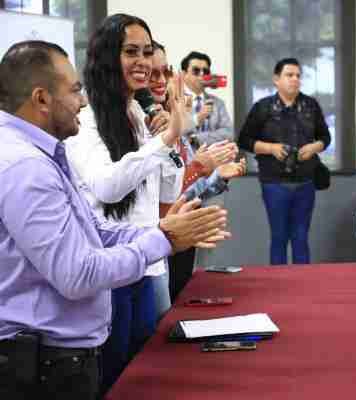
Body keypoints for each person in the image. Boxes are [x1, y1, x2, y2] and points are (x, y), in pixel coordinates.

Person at [0, 40, 229, 400]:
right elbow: (78, 273)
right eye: (74, 90)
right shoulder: (27, 166)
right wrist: (162, 239)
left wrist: (161, 231)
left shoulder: (41, 152)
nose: (83, 100)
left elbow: (91, 229)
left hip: (57, 354)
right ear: (41, 99)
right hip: (46, 366)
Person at [63, 14, 187, 392]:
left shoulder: (139, 113)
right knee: (116, 378)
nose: (143, 62)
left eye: (147, 52)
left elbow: (166, 195)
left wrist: (170, 141)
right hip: (109, 274)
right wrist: (164, 142)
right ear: (105, 58)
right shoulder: (86, 122)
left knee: (144, 373)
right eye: (131, 51)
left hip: (147, 267)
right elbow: (107, 187)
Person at [150, 41, 245, 301]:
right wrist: (194, 122)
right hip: (156, 231)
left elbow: (225, 135)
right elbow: (170, 186)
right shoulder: (158, 126)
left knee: (184, 285)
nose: (163, 80)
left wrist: (216, 177)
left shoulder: (181, 123)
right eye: (154, 73)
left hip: (184, 213)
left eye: (165, 72)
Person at [237, 57, 331, 265]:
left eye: (298, 75)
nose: (295, 79)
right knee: (279, 237)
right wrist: (271, 148)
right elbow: (244, 140)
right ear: (276, 79)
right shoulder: (263, 107)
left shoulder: (310, 105)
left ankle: (304, 287)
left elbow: (325, 138)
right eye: (289, 75)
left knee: (301, 238)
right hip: (274, 183)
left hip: (305, 181)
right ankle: (278, 288)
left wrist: (313, 147)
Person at [181, 51, 233, 146]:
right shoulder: (175, 100)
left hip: (213, 157)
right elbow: (175, 132)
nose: (201, 75)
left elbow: (228, 133)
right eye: (196, 71)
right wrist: (196, 119)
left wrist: (196, 139)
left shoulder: (218, 103)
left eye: (205, 71)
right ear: (184, 74)